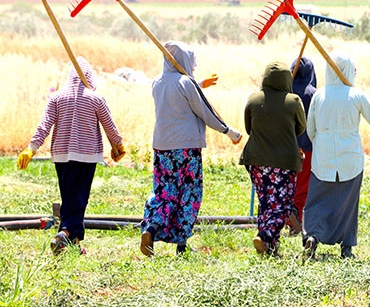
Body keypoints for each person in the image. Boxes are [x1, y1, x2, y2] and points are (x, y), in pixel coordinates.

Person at [140, 41, 241, 257]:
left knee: (164, 192)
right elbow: (205, 110)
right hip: (186, 148)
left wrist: (199, 83)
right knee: (188, 193)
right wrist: (228, 131)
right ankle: (182, 244)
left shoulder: (157, 83)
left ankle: (151, 228)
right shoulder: (187, 83)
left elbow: (178, 94)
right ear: (184, 60)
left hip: (162, 147)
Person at [17, 56, 126, 255]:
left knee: (70, 197)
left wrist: (31, 148)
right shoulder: (96, 98)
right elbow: (109, 126)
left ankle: (73, 244)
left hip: (61, 156)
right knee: (79, 199)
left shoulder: (57, 98)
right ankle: (64, 234)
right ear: (89, 76)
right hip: (86, 156)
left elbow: (45, 125)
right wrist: (117, 145)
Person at [303, 52, 370, 259]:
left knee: (317, 200)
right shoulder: (356, 95)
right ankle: (346, 248)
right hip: (350, 158)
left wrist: (322, 143)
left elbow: (310, 130)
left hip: (323, 158)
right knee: (347, 202)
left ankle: (313, 235)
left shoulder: (319, 96)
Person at [239, 61, 306, 256]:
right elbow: (301, 128)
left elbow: (248, 127)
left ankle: (270, 246)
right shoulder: (293, 101)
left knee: (266, 201)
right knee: (283, 203)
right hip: (284, 162)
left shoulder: (253, 100)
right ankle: (265, 235)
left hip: (256, 160)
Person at [287, 56, 317, 235]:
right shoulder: (313, 93)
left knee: (286, 184)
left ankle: (283, 217)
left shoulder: (285, 91)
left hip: (285, 147)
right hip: (306, 146)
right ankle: (296, 221)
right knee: (302, 186)